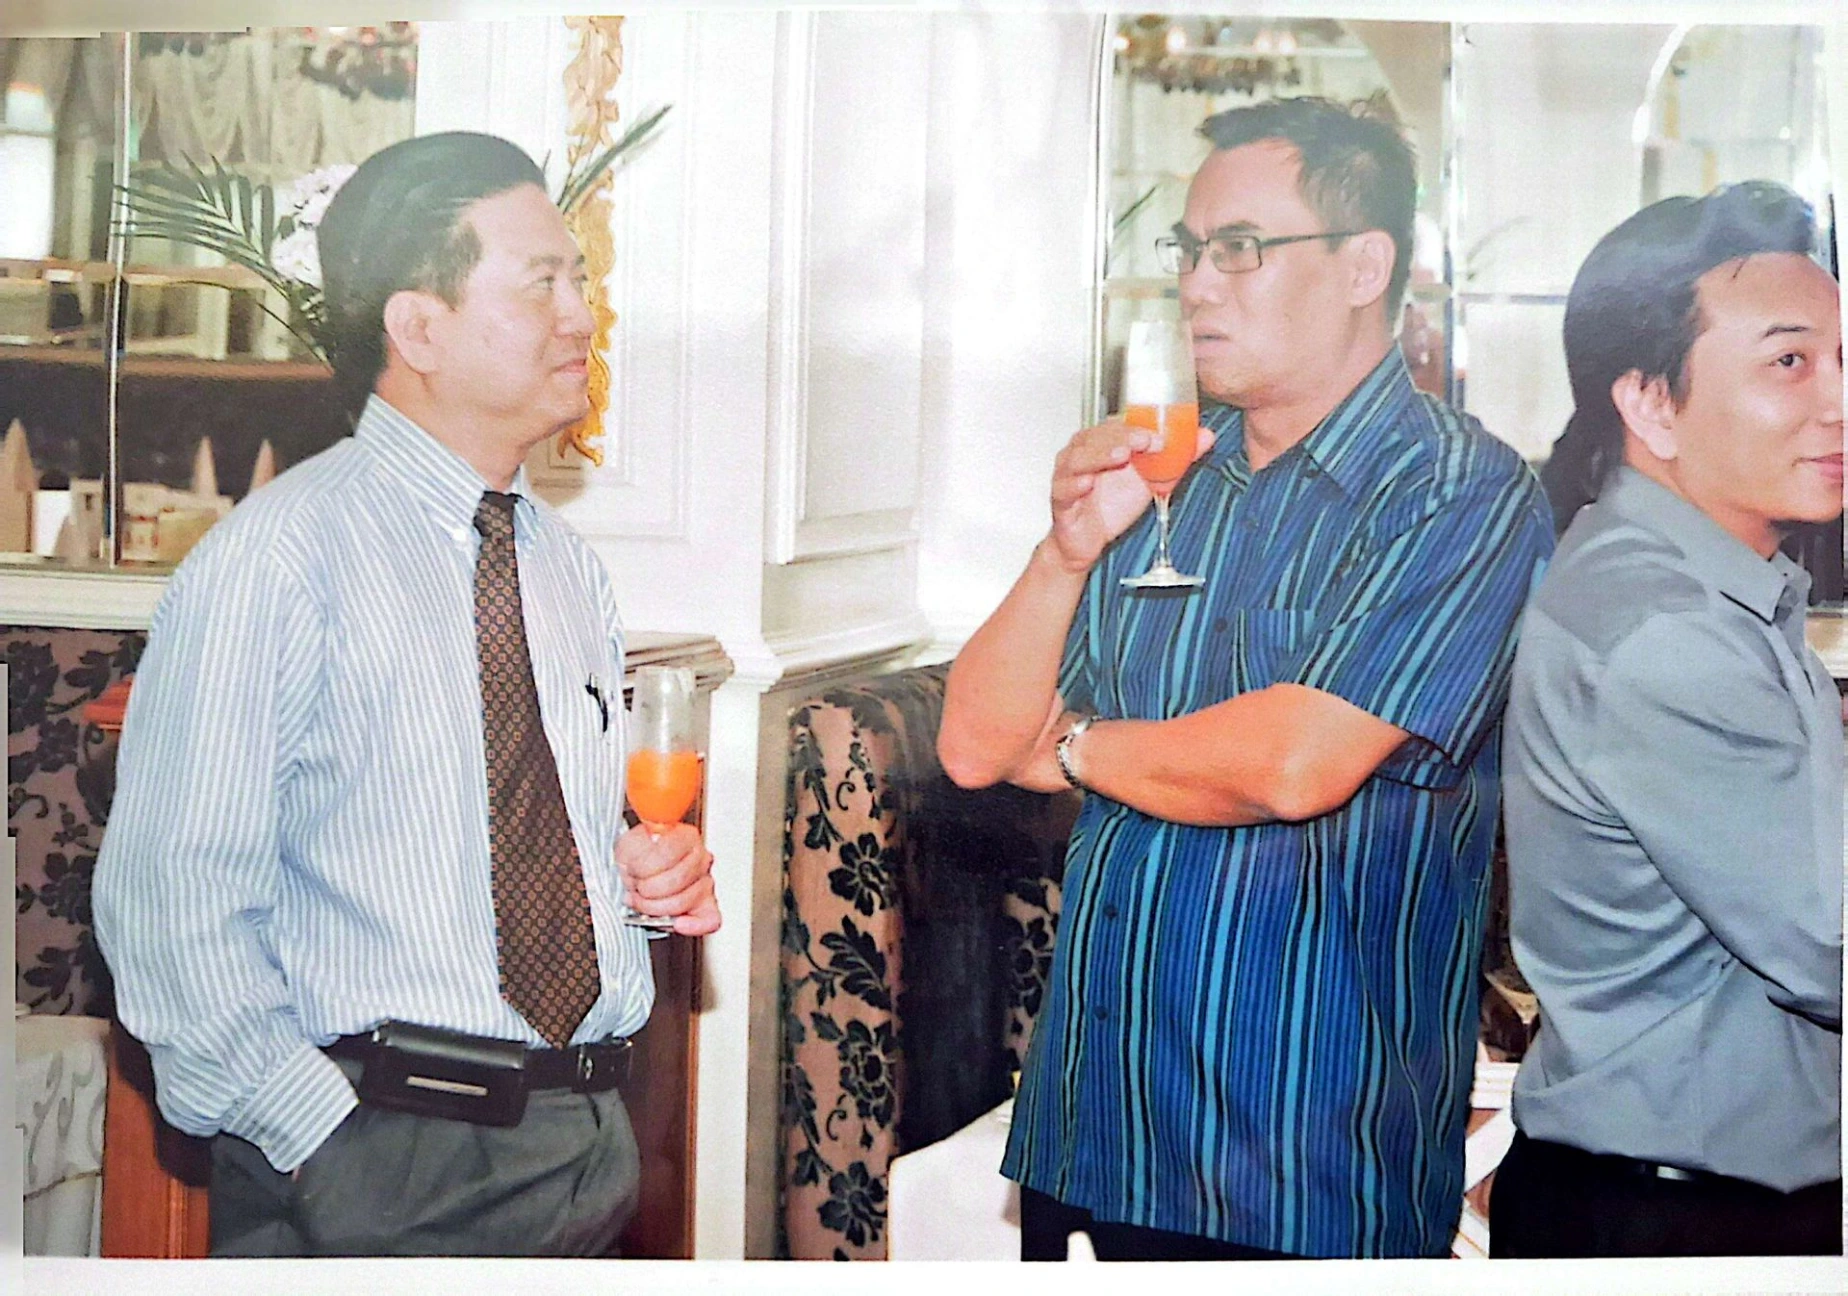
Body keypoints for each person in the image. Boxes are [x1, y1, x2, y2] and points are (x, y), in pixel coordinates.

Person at [937, 96, 1554, 1260]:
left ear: (1365, 265)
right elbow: (975, 746)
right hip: (1094, 1125)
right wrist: (1065, 550)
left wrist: (1074, 746)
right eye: (1189, 249)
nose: (1197, 285)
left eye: (1241, 249)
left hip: (1299, 1162)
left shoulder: (1456, 490)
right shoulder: (1169, 477)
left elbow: (1296, 762)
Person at [92, 131, 720, 1258]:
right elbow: (170, 903)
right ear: (418, 327)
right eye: (542, 283)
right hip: (378, 1160)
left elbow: (505, 841)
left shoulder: (564, 567)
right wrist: (321, 1141)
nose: (582, 318)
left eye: (579, 282)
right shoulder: (279, 559)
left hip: (581, 1142)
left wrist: (635, 879)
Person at [1493, 182, 1843, 1258]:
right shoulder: (1666, 631)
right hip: (1684, 1221)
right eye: (1791, 362)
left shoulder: (1702, 585)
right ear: (1650, 404)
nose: (1838, 400)